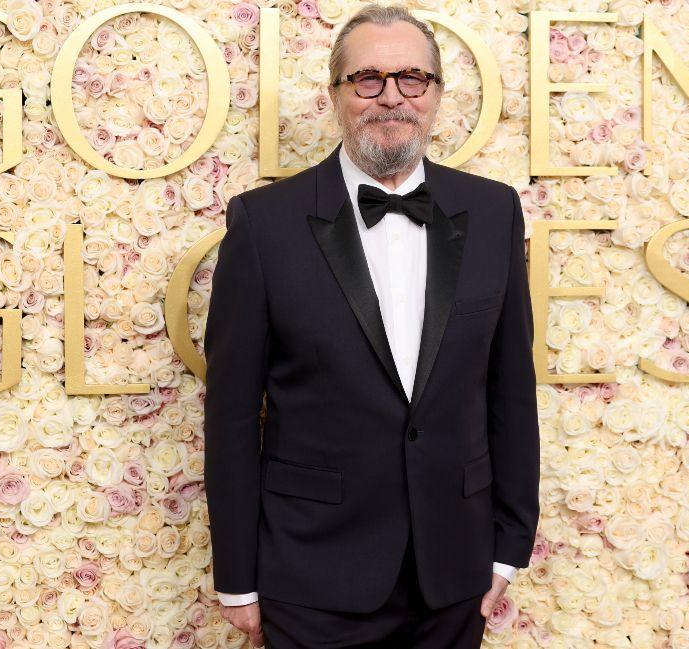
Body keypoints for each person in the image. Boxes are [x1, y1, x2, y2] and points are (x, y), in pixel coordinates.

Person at [202, 4, 540, 647]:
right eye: (367, 79)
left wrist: (507, 548)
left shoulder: (495, 212)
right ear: (336, 95)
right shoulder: (263, 225)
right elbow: (233, 413)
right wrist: (238, 578)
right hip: (311, 576)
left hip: (455, 570)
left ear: (437, 95)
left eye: (412, 78)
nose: (391, 97)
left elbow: (510, 390)